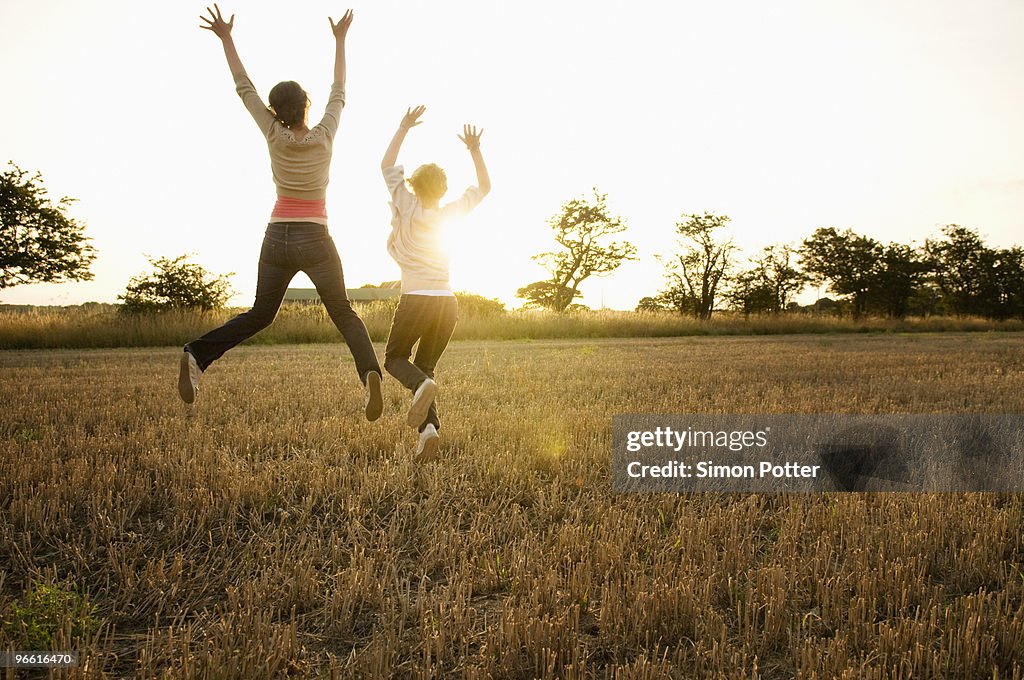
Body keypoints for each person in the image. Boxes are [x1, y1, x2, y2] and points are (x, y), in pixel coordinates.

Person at [179, 5, 383, 421]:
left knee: (260, 314)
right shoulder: (325, 134)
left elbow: (243, 87)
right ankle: (369, 377)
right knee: (342, 310)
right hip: (315, 237)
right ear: (307, 105)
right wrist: (341, 40)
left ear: (275, 110)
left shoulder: (272, 132)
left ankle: (197, 355)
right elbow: (339, 88)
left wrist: (226, 39)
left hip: (277, 237)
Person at [380, 106, 491, 460]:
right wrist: (474, 150)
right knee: (425, 366)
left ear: (412, 186)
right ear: (443, 190)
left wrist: (402, 127)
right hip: (447, 302)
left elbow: (386, 166)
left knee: (395, 358)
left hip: (416, 299)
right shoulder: (449, 213)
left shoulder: (407, 206)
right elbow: (484, 187)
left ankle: (419, 386)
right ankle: (428, 431)